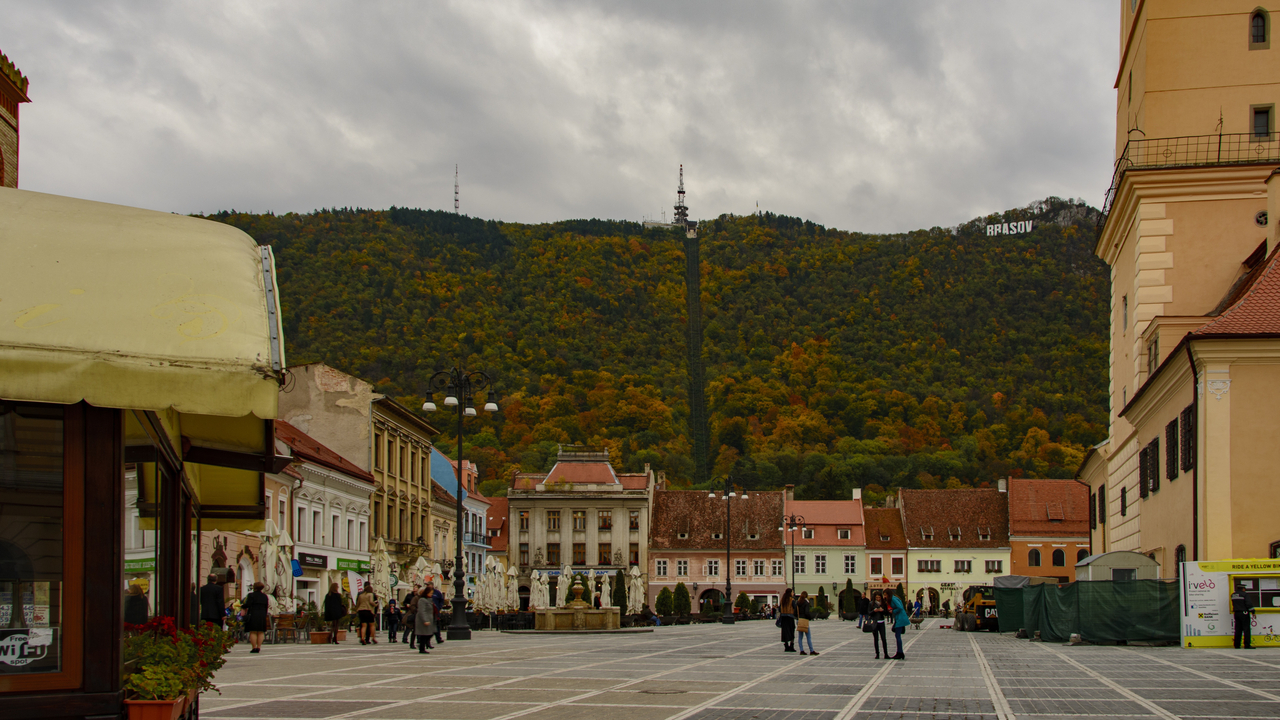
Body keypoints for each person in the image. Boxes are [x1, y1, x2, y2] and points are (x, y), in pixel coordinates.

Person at [243, 581, 270, 653]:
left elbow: (248, 604)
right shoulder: (265, 596)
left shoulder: (251, 595)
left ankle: (254, 647)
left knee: (253, 631)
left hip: (253, 613)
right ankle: (259, 647)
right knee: (261, 631)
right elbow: (266, 606)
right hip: (262, 614)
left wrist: (242, 606)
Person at [1231, 583, 1256, 649]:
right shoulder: (1244, 594)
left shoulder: (1233, 595)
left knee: (1238, 629)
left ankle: (1237, 645)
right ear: (1243, 589)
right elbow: (1248, 603)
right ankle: (1247, 645)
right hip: (1244, 613)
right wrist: (1253, 611)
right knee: (1246, 629)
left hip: (1236, 613)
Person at [414, 586, 437, 654]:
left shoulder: (429, 600)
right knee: (424, 635)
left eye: (432, 593)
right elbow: (422, 611)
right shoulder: (422, 600)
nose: (431, 594)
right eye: (430, 593)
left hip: (430, 619)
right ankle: (422, 648)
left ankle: (423, 646)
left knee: (431, 633)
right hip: (423, 620)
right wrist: (425, 620)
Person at [796, 590, 818, 655]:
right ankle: (811, 650)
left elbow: (795, 612)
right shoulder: (806, 603)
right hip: (804, 620)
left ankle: (801, 650)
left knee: (800, 636)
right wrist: (810, 617)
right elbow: (806, 612)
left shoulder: (798, 602)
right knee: (808, 636)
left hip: (799, 620)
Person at [869, 591, 889, 659]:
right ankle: (877, 654)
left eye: (879, 597)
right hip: (874, 622)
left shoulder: (883, 604)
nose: (878, 599)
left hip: (881, 622)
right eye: (876, 597)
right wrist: (874, 611)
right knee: (876, 639)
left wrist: (882, 610)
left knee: (883, 638)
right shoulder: (871, 603)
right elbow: (869, 613)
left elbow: (886, 613)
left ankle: (886, 654)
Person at [889, 591, 909, 660]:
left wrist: (893, 611)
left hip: (900, 618)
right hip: (900, 618)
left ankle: (900, 652)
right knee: (897, 635)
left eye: (885, 595)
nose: (885, 596)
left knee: (898, 636)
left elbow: (900, 607)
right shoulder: (895, 598)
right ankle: (900, 652)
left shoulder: (893, 599)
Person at [778, 588, 797, 653]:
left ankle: (786, 646)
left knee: (785, 632)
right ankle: (791, 645)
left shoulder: (782, 600)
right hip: (790, 617)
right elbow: (795, 607)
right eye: (792, 592)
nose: (793, 593)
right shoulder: (792, 600)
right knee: (791, 631)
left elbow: (779, 609)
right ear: (790, 593)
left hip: (783, 617)